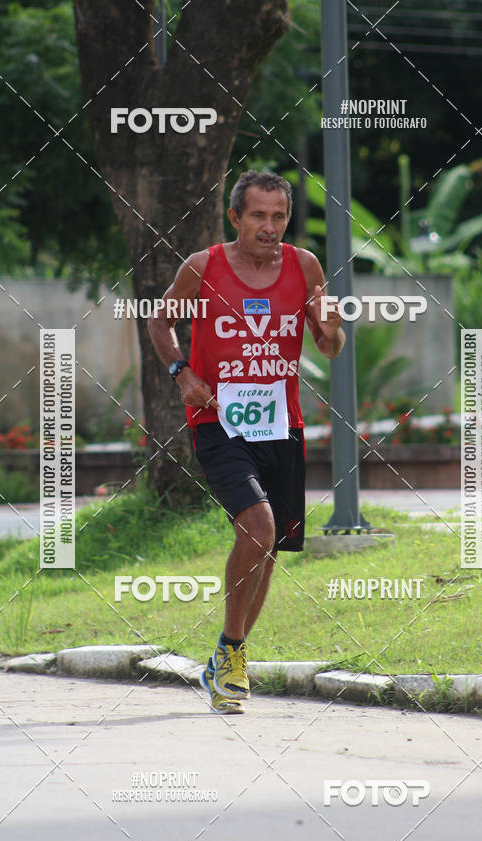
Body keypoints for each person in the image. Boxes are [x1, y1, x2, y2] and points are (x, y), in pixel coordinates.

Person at [148, 170, 344, 713]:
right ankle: (233, 654)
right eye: (258, 215)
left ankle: (227, 657)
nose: (269, 226)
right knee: (257, 526)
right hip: (218, 420)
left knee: (272, 544)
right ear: (235, 217)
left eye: (279, 215)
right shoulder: (203, 267)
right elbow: (159, 321)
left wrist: (332, 328)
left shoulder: (304, 266)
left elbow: (329, 346)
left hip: (282, 422)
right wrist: (180, 373)